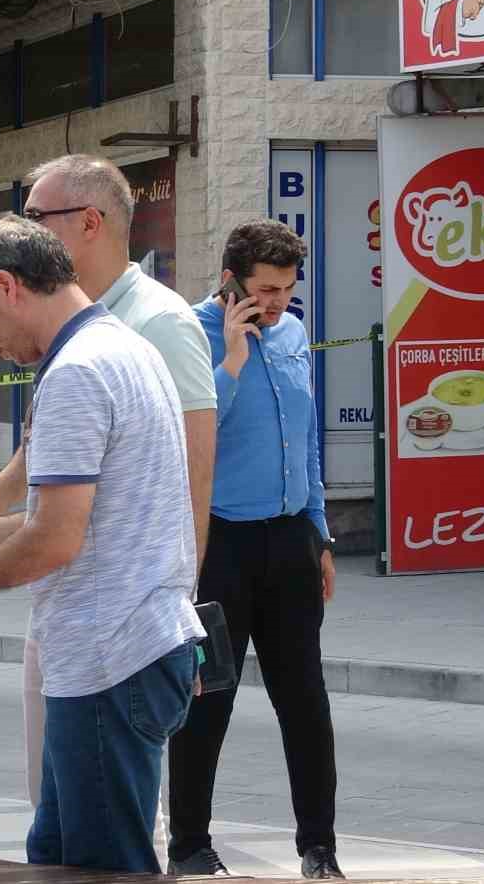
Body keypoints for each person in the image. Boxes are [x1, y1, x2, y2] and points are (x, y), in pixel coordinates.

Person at [0, 217, 206, 874]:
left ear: (8, 287)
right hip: (133, 648)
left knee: (100, 866)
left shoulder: (76, 372)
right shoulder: (123, 347)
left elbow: (56, 538)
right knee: (56, 856)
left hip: (110, 659)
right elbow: (90, 514)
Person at [166, 219, 342, 879]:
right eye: (265, 290)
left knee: (305, 699)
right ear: (231, 280)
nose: (276, 303)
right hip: (221, 546)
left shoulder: (294, 335)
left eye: (286, 290)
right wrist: (233, 362)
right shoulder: (190, 335)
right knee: (208, 696)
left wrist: (318, 531)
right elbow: (193, 440)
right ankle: (189, 845)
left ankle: (319, 847)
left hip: (291, 539)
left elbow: (306, 435)